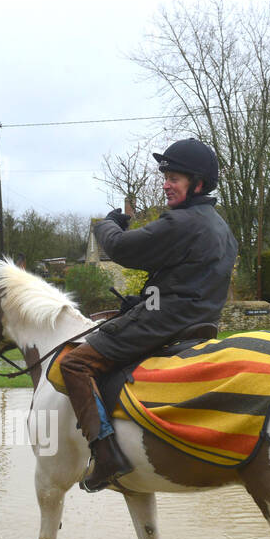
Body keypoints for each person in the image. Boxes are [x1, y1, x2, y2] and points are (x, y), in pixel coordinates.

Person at [60, 138, 239, 491]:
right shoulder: (221, 227)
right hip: (199, 324)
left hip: (164, 323)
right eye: (165, 176)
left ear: (198, 183)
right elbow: (182, 278)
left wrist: (108, 224)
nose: (165, 184)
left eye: (174, 178)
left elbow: (123, 249)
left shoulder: (184, 222)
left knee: (74, 364)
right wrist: (147, 297)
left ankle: (106, 453)